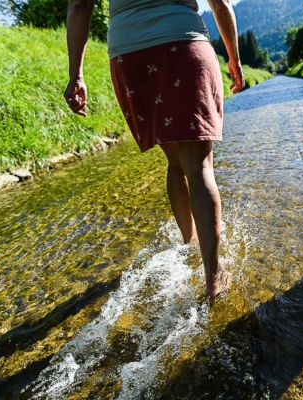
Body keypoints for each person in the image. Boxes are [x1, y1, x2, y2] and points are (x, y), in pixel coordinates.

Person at [64, 0, 245, 297]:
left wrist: (76, 75)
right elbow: (220, 3)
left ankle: (189, 245)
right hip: (183, 41)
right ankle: (213, 274)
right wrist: (233, 57)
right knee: (198, 164)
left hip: (130, 54)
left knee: (176, 163)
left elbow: (80, 5)